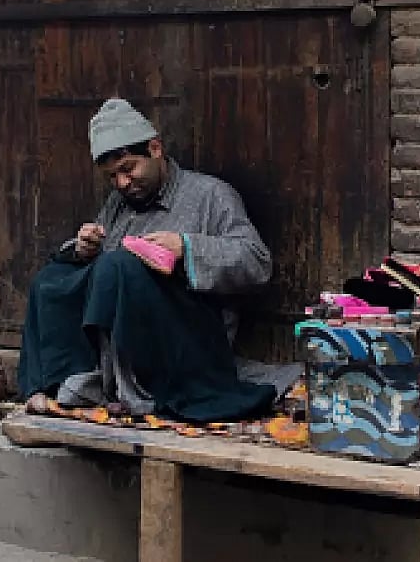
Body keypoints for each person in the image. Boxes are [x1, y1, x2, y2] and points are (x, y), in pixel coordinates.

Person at [16, 98, 291, 422]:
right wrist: (82, 249)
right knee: (53, 278)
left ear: (155, 148)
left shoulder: (211, 195)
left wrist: (187, 247)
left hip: (190, 338)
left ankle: (131, 394)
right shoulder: (120, 204)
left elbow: (257, 263)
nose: (121, 183)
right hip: (124, 334)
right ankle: (56, 384)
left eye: (128, 169)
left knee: (117, 266)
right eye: (111, 177)